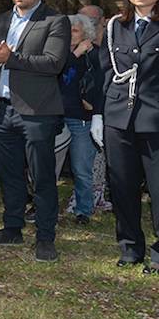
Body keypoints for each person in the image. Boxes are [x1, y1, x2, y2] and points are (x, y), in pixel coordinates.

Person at [0, 0, 71, 262]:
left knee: (41, 178)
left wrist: (10, 58)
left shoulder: (56, 21)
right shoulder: (1, 20)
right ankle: (12, 228)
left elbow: (54, 63)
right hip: (0, 110)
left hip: (37, 112)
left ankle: (45, 238)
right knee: (10, 175)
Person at [98, 0, 159, 274]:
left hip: (155, 120)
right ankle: (130, 248)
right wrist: (99, 115)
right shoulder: (114, 27)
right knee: (122, 186)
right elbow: (106, 74)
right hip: (119, 119)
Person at [56, 13, 102, 224]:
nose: (70, 34)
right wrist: (75, 54)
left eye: (75, 30)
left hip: (82, 120)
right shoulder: (58, 53)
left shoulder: (95, 55)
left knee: (81, 168)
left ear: (87, 34)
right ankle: (43, 206)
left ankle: (84, 210)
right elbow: (57, 73)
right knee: (46, 165)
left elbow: (102, 83)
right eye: (68, 30)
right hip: (56, 117)